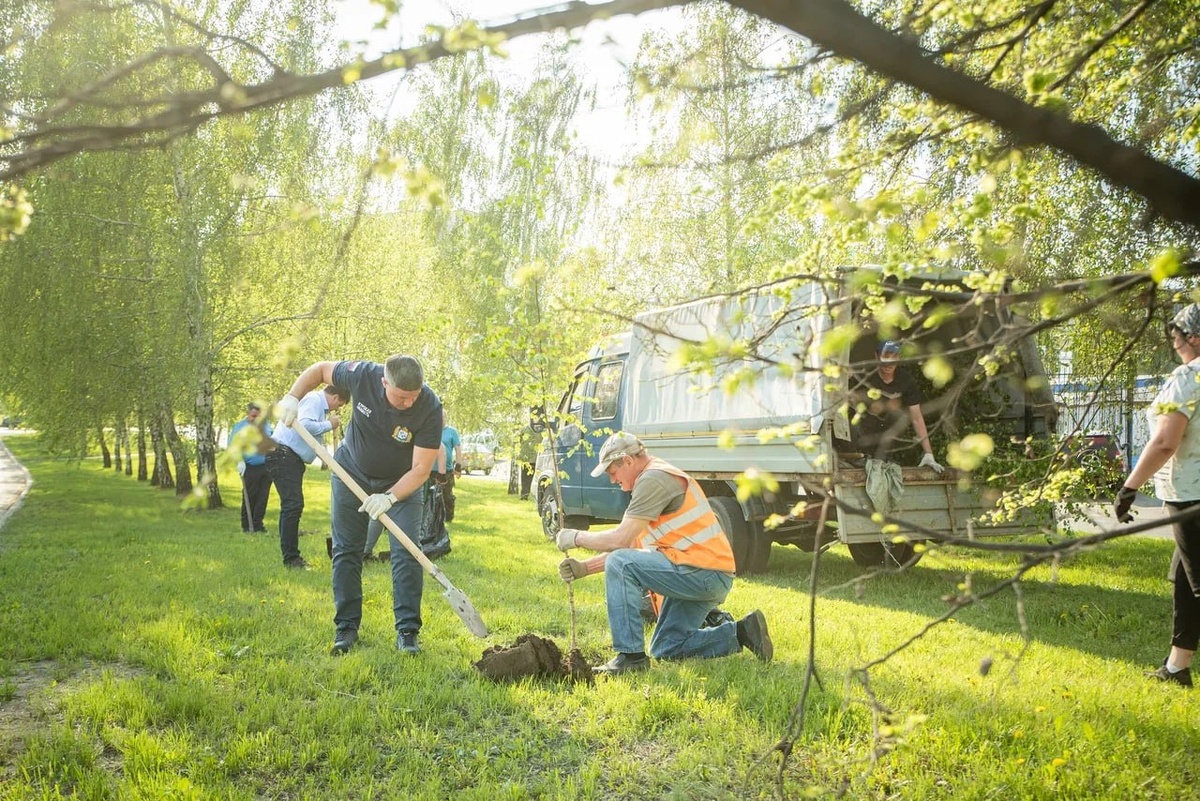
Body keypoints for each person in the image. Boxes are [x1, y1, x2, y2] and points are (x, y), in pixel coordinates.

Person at [555, 432, 773, 675]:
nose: (612, 479)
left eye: (612, 471)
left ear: (628, 461)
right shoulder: (651, 480)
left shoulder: (653, 480)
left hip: (703, 573)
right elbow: (631, 547)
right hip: (704, 573)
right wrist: (584, 568)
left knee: (620, 563)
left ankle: (630, 657)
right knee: (666, 647)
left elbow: (620, 542)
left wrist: (576, 537)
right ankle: (743, 632)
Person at [276, 354, 443, 656]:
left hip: (402, 481)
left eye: (413, 397)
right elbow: (320, 370)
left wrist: (390, 497)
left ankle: (407, 632)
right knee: (347, 549)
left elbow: (421, 469)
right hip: (350, 472)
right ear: (384, 382)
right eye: (401, 397)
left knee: (407, 552)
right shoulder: (362, 375)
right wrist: (292, 397)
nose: (408, 403)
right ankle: (346, 627)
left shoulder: (429, 406)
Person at [1114, 304, 1200, 688]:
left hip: (1192, 496)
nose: (1174, 342)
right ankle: (1177, 668)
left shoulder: (1188, 377)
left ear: (1193, 336)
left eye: (1177, 335)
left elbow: (1165, 441)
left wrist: (1129, 487)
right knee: (1185, 580)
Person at [850, 339, 944, 513]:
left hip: (890, 436)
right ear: (876, 357)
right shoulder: (865, 376)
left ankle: (887, 457)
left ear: (899, 358)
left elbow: (916, 417)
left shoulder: (905, 380)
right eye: (885, 356)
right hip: (864, 433)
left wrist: (929, 453)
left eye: (893, 357)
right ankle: (864, 456)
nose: (888, 362)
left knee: (898, 415)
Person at [266, 384, 350, 570]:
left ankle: (291, 557)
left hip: (289, 457)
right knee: (292, 506)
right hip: (284, 455)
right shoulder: (314, 400)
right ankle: (291, 559)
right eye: (339, 405)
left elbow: (310, 439)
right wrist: (330, 424)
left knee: (292, 506)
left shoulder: (317, 404)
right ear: (335, 397)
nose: (336, 409)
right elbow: (304, 425)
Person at [229, 402, 272, 534]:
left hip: (266, 466)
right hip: (249, 467)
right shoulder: (240, 427)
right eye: (253, 416)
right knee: (250, 496)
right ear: (249, 413)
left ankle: (258, 525)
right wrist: (239, 461)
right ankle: (247, 526)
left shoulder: (266, 425)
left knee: (262, 497)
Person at [439, 412, 462, 521]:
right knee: (431, 496)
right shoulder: (431, 429)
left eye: (443, 417)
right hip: (431, 470)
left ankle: (448, 517)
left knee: (447, 496)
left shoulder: (452, 432)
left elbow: (458, 449)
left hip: (447, 470)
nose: (441, 419)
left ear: (446, 418)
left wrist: (458, 466)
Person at [515, 417, 541, 501]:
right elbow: (517, 440)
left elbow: (517, 440)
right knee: (526, 478)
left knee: (528, 478)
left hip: (534, 458)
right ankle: (525, 495)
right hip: (529, 458)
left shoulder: (539, 430)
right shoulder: (527, 429)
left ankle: (526, 495)